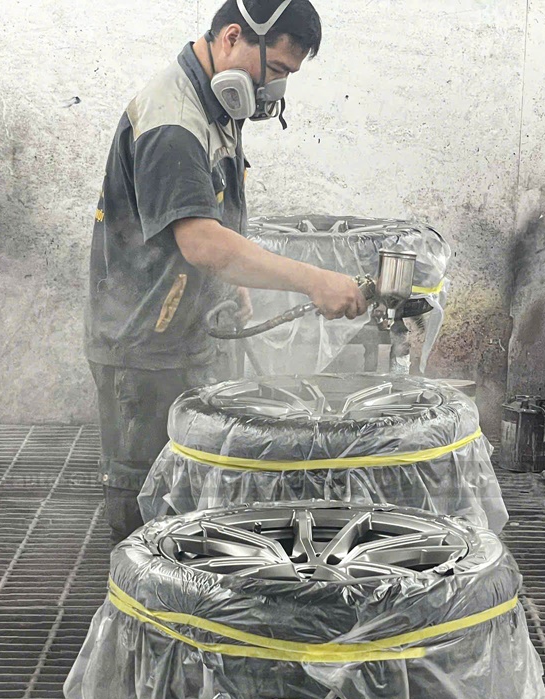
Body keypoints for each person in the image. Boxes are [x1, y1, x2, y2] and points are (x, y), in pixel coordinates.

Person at [85, 0, 367, 543]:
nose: (274, 88)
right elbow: (201, 241)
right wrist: (313, 280)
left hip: (179, 332)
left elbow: (206, 215)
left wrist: (229, 280)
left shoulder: (213, 104)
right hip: (140, 346)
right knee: (144, 511)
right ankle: (138, 593)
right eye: (276, 69)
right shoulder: (173, 119)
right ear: (233, 37)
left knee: (183, 499)